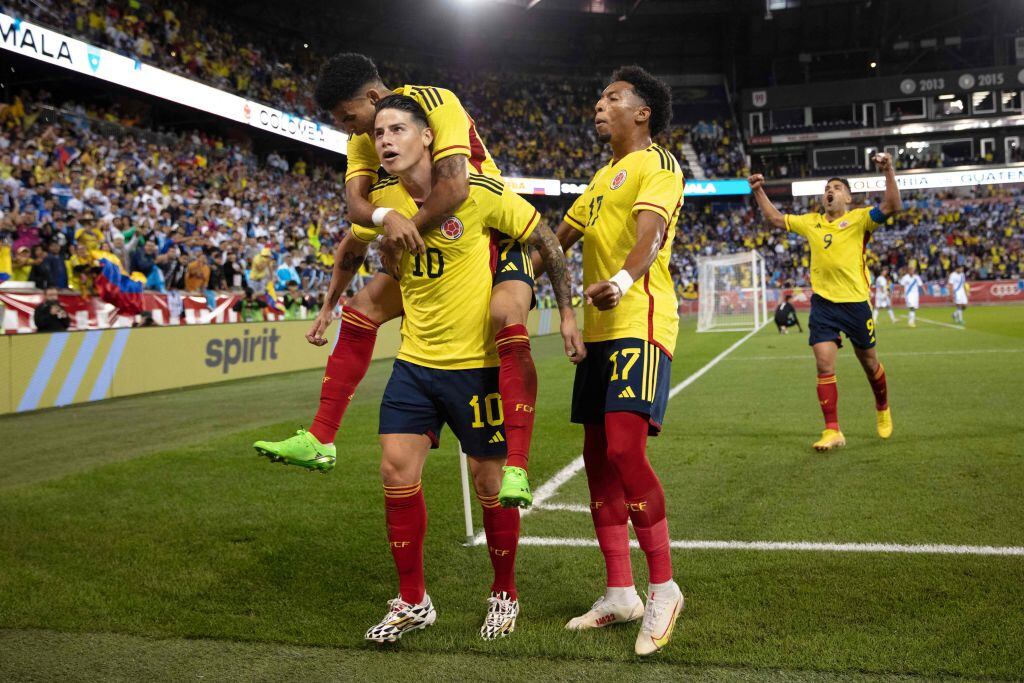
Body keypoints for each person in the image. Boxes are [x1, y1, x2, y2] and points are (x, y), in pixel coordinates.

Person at [258, 96, 579, 643]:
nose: (384, 141)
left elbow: (545, 240)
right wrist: (331, 305)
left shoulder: (478, 192)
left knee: (489, 482)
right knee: (394, 472)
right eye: (378, 132)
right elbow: (350, 249)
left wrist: (567, 309)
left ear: (428, 137)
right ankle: (413, 600)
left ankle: (504, 592)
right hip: (415, 364)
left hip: (475, 368)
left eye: (398, 130)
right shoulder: (382, 200)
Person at [257, 53, 541, 508]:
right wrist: (387, 222)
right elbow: (356, 209)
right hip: (426, 236)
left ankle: (518, 463)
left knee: (505, 315)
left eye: (350, 118)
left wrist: (402, 229)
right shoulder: (364, 138)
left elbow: (454, 188)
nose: (351, 131)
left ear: (373, 98)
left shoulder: (434, 104)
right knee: (361, 309)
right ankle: (321, 439)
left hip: (490, 234)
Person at [543, 66, 684, 656]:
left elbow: (650, 233)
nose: (600, 105)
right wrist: (566, 315)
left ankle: (664, 586)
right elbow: (555, 242)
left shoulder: (660, 165)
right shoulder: (601, 178)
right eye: (599, 95)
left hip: (641, 322)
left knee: (626, 449)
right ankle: (620, 592)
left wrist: (623, 279)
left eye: (612, 97)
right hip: (598, 333)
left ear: (642, 111)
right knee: (597, 459)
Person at [748, 152, 902, 452]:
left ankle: (882, 406)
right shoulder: (812, 223)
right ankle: (832, 430)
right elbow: (775, 218)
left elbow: (893, 205)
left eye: (837, 188)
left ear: (848, 198)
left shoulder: (860, 219)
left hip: (856, 304)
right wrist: (757, 190)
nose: (829, 191)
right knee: (823, 363)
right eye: (827, 188)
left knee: (870, 364)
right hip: (824, 305)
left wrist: (889, 170)